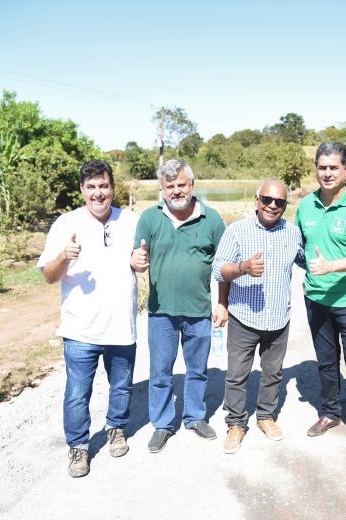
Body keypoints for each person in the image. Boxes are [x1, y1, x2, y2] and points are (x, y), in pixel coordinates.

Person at [36, 160, 139, 478]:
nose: (98, 193)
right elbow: (49, 276)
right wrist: (64, 257)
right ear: (81, 190)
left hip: (121, 325)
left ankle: (116, 428)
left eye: (103, 186)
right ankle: (79, 446)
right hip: (80, 329)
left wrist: (139, 262)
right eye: (91, 187)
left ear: (112, 188)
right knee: (77, 393)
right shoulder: (65, 224)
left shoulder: (131, 221)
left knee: (121, 386)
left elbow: (139, 261)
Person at [131, 159, 228, 453]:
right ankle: (162, 424)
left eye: (181, 184)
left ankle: (195, 417)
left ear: (192, 184)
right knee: (161, 372)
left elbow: (224, 267)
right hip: (161, 312)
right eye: (170, 186)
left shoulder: (212, 219)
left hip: (199, 311)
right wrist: (136, 261)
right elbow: (137, 258)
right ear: (162, 188)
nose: (176, 191)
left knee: (197, 369)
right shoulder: (150, 218)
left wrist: (222, 303)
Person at [295, 141, 346, 454]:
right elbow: (299, 247)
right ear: (315, 169)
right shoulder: (306, 206)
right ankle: (330, 413)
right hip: (317, 300)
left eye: (333, 167)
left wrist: (330, 266)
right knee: (326, 364)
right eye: (322, 167)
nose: (327, 173)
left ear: (345, 170)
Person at [211, 180, 305, 454]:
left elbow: (306, 261)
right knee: (237, 375)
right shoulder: (237, 231)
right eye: (267, 199)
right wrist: (243, 267)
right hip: (244, 317)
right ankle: (236, 424)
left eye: (279, 202)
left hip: (278, 318)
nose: (272, 206)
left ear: (285, 206)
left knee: (273, 373)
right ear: (257, 199)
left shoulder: (293, 233)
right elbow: (218, 270)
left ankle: (265, 416)